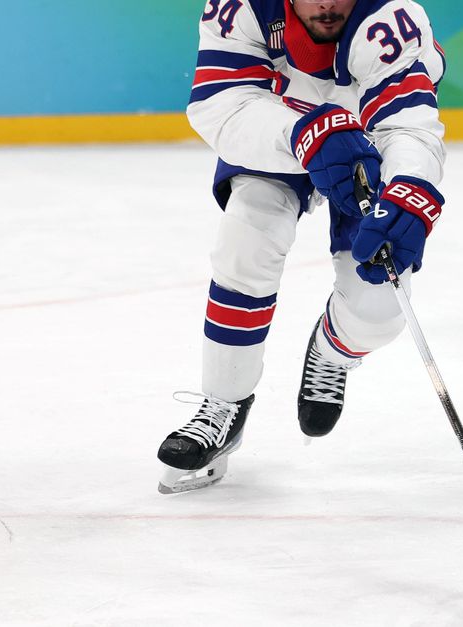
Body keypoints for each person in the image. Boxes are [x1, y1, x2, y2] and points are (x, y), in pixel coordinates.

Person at [155, 0, 447, 493]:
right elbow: (222, 104)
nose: (328, 3)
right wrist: (303, 133)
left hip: (369, 145)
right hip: (279, 131)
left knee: (378, 309)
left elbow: (408, 125)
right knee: (246, 238)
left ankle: (333, 351)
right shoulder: (243, 6)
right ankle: (224, 403)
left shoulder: (391, 15)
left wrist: (409, 188)